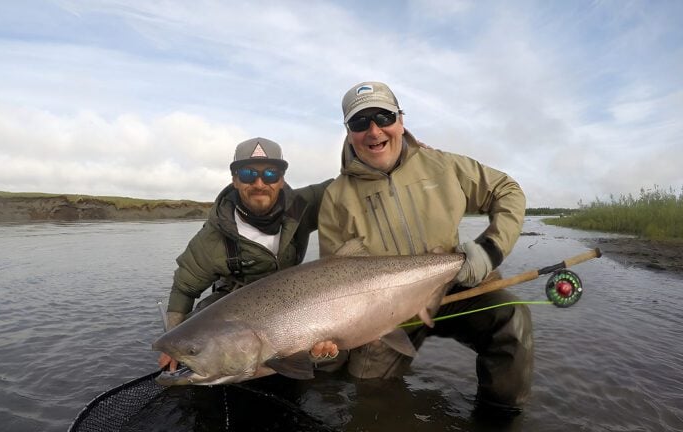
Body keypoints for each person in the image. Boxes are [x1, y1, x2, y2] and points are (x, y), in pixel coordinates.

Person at [318, 81, 532, 414]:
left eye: (383, 117)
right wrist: (334, 340)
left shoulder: (443, 165)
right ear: (348, 132)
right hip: (385, 313)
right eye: (360, 123)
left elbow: (508, 191)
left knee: (512, 317)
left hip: (456, 284)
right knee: (366, 389)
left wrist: (489, 250)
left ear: (400, 120)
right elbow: (332, 280)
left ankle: (498, 418)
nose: (374, 131)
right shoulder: (336, 198)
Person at [159, 137, 335, 371]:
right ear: (235, 180)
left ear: (282, 179)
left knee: (332, 356)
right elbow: (184, 288)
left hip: (288, 304)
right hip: (235, 308)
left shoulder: (302, 204)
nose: (260, 184)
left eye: (270, 175)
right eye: (248, 175)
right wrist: (174, 344)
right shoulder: (212, 238)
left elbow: (348, 183)